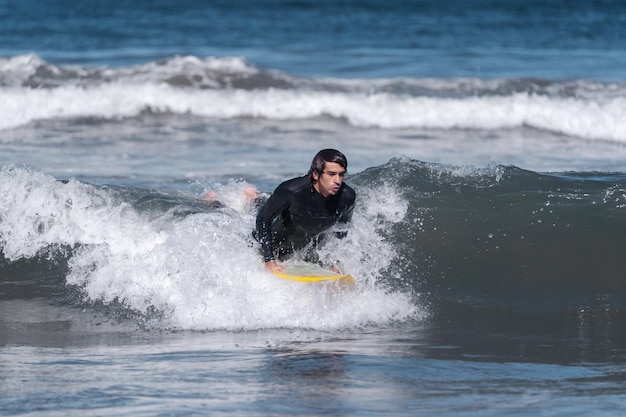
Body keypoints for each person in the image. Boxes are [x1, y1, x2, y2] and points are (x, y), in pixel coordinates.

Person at [254, 149, 356, 272]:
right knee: (259, 208)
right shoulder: (291, 191)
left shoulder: (347, 197)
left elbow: (342, 228)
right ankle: (254, 199)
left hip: (304, 250)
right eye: (331, 174)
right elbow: (263, 219)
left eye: (341, 174)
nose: (337, 181)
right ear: (316, 174)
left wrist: (335, 263)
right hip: (273, 246)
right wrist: (269, 260)